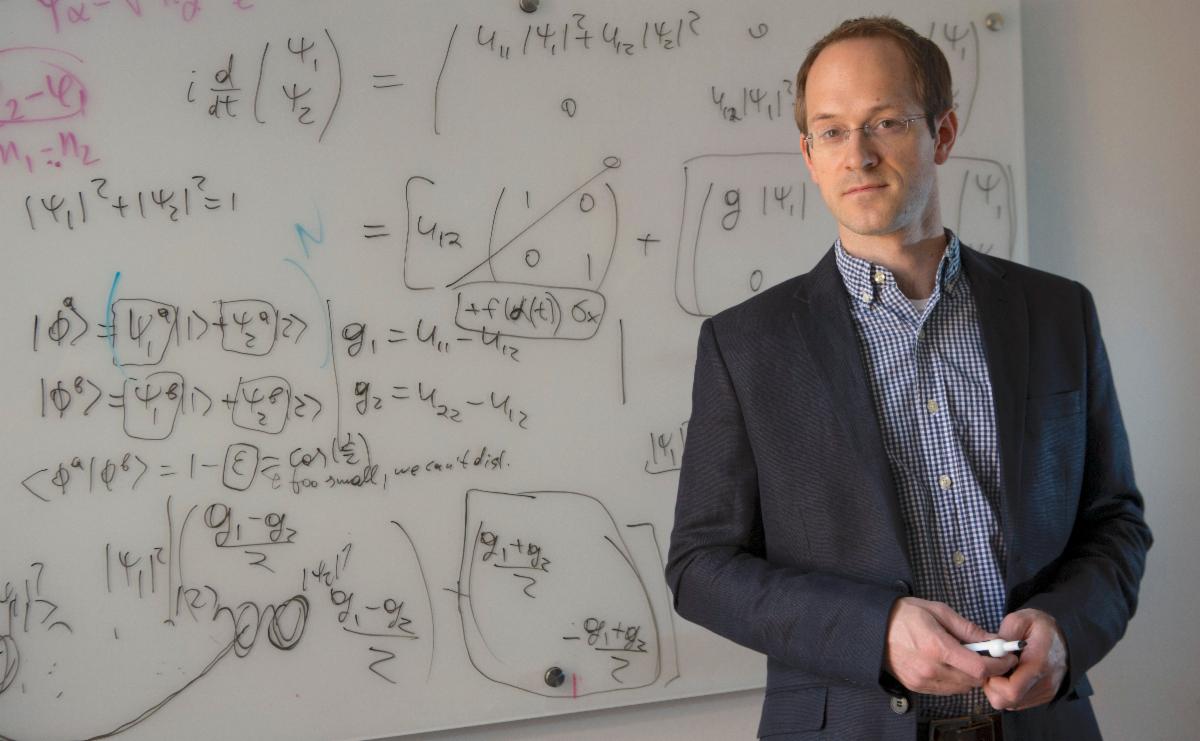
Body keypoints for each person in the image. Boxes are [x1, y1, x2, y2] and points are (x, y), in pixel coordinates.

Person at [665, 16, 1151, 741]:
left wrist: (1065, 628)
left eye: (885, 122)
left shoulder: (1056, 313)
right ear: (808, 154)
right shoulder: (747, 345)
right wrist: (876, 631)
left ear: (943, 134)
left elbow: (1115, 521)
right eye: (830, 131)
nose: (857, 154)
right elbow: (700, 566)